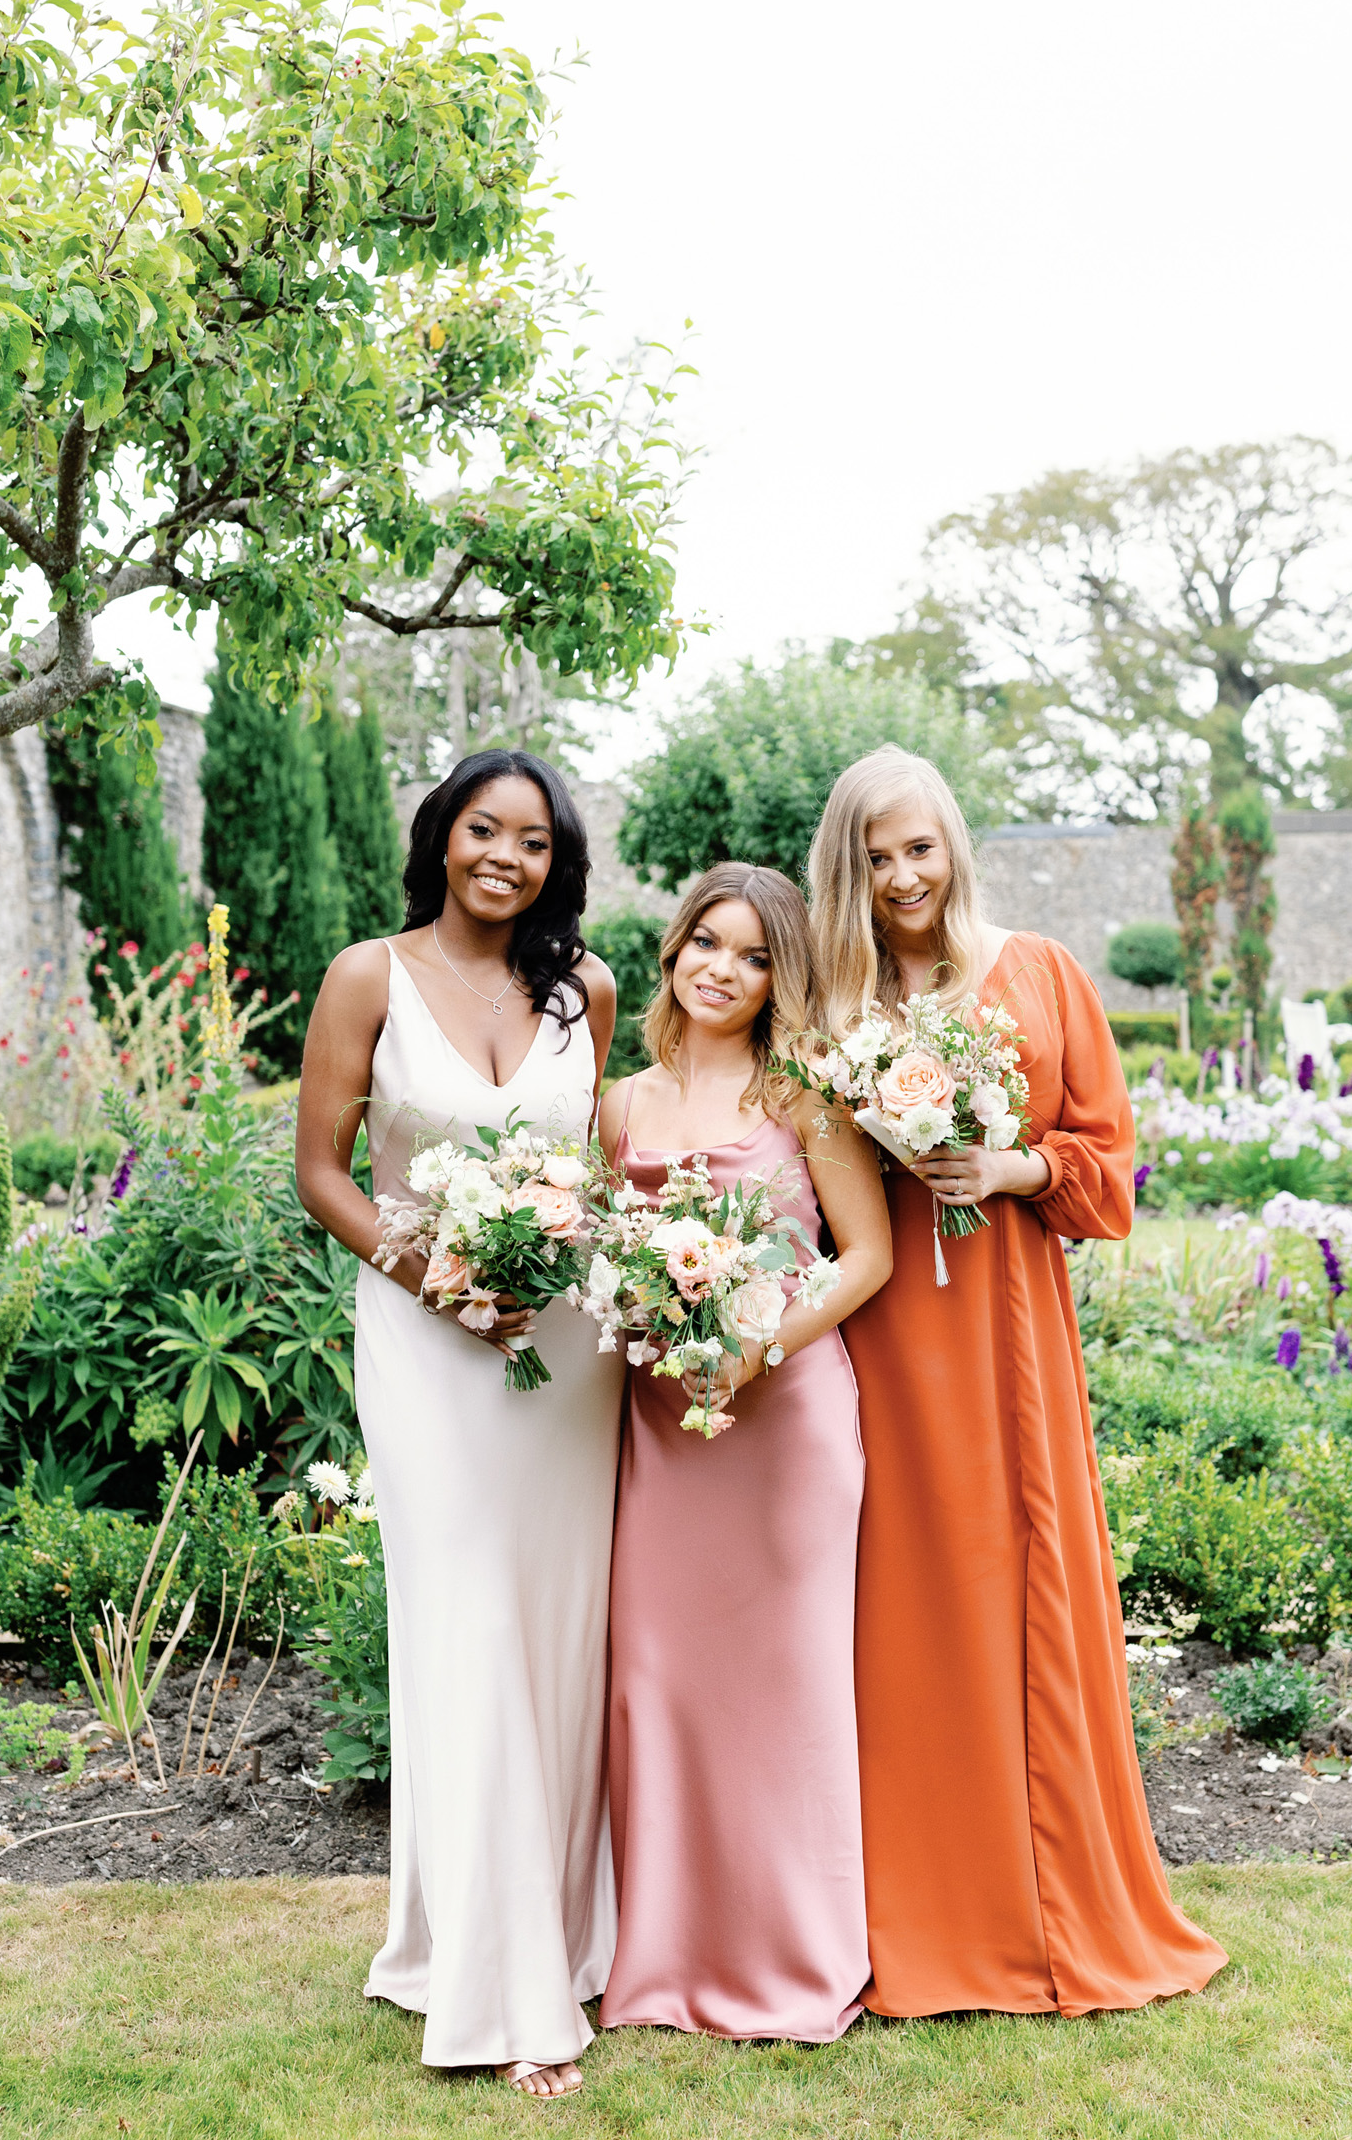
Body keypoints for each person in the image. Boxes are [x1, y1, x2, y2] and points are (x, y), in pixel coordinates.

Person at [807, 745, 1226, 2019]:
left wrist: (1011, 1170)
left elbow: (1108, 1169)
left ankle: (1047, 1899)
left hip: (1009, 1327)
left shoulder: (1039, 972)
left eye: (918, 849)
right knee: (901, 1605)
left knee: (1021, 1577)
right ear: (848, 869)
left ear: (954, 845)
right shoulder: (831, 1010)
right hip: (884, 1338)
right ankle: (909, 1907)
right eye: (874, 859)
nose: (900, 878)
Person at [296, 750, 622, 2100]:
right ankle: (501, 1993)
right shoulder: (367, 975)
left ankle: (537, 1934)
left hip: (567, 1352)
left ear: (557, 861)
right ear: (442, 838)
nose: (507, 854)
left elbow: (599, 1172)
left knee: (554, 1635)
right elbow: (321, 1170)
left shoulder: (588, 988)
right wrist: (435, 1273)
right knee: (467, 1624)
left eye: (534, 840)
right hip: (426, 1343)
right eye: (485, 829)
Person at [597, 863, 892, 2044]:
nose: (724, 969)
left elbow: (860, 1255)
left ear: (784, 977)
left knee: (786, 1692)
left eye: (755, 955)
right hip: (664, 1429)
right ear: (672, 952)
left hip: (788, 1428)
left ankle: (797, 1961)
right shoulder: (619, 1105)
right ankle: (660, 1964)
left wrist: (760, 1341)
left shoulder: (802, 1098)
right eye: (705, 944)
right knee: (659, 1682)